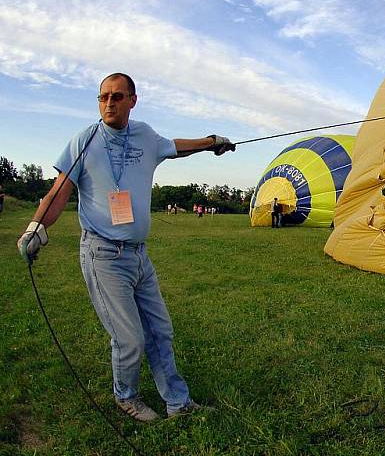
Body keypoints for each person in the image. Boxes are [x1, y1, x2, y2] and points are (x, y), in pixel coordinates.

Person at [17, 73, 235, 422]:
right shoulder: (84, 141)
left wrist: (211, 142)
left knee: (159, 330)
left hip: (138, 255)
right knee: (130, 338)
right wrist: (36, 228)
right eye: (103, 97)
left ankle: (178, 404)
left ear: (133, 100)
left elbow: (174, 147)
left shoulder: (145, 135)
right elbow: (60, 190)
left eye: (118, 96)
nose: (109, 103)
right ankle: (126, 396)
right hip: (102, 255)